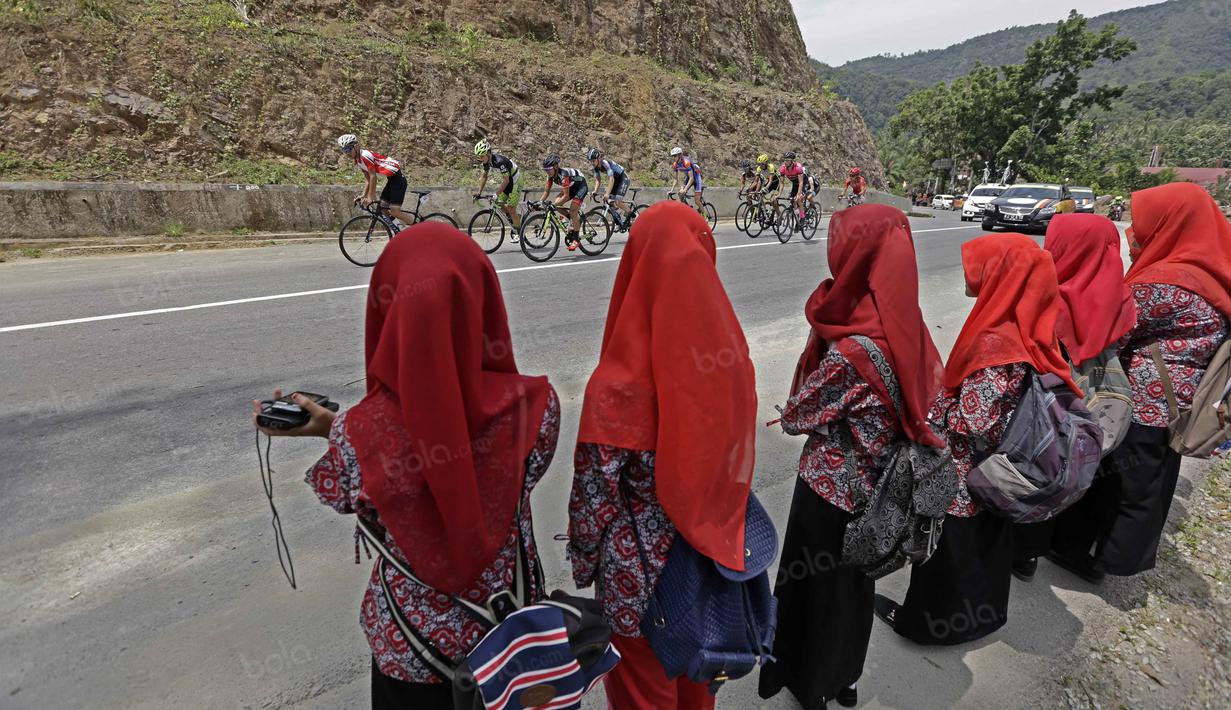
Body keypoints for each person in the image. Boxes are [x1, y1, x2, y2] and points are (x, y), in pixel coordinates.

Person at [252, 224, 559, 709]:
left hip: (411, 652)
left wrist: (333, 426)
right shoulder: (537, 408)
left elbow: (347, 491)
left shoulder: (360, 435)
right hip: (511, 635)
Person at [567, 201, 757, 709]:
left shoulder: (616, 385)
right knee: (699, 684)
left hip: (639, 584)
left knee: (642, 692)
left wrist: (584, 561)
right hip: (712, 563)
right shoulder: (730, 361)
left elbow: (593, 500)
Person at [758, 205, 948, 709]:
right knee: (855, 592)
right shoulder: (910, 330)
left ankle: (809, 682)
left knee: (815, 592)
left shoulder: (855, 350)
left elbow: (799, 416)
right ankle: (845, 681)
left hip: (830, 495)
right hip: (883, 498)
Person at [876, 233, 1080, 645]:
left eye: (981, 270)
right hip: (1007, 463)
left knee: (948, 546)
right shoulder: (1030, 326)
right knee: (985, 543)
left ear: (1001, 277)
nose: (972, 277)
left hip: (969, 469)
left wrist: (934, 410)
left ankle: (926, 625)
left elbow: (974, 420)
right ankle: (980, 618)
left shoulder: (995, 341)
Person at [1050, 182, 1231, 581]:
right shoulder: (1215, 272)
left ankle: (1088, 556)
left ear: (1172, 223)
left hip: (1141, 403)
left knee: (1116, 483)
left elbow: (1111, 332)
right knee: (1150, 483)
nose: (1136, 233)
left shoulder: (1167, 281)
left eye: (1147, 223)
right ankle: (1118, 557)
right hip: (1183, 400)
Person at [1010, 214, 1137, 581]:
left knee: (1031, 469)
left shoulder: (1043, 294)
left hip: (1039, 407)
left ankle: (1022, 554)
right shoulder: (1122, 297)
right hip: (1088, 409)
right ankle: (1052, 547)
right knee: (1066, 472)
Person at [338, 133, 410, 226]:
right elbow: (367, 179)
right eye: (344, 150)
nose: (347, 153)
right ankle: (400, 231)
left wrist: (370, 197)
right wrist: (363, 195)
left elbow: (373, 176)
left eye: (348, 149)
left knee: (395, 211)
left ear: (356, 146)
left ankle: (419, 228)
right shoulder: (358, 160)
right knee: (383, 208)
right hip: (392, 179)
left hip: (398, 180)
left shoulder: (364, 156)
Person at [473, 138, 524, 243]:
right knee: (498, 202)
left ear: (488, 154)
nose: (480, 158)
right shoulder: (486, 163)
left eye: (482, 155)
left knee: (510, 207)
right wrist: (479, 193)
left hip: (516, 181)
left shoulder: (499, 161)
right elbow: (484, 177)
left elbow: (506, 180)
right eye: (479, 156)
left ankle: (518, 233)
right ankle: (515, 218)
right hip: (508, 182)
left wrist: (496, 193)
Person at [539, 154, 589, 251]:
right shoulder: (550, 176)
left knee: (573, 211)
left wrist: (554, 205)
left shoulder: (564, 175)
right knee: (556, 203)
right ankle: (572, 220)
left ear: (556, 167)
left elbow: (566, 196)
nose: (548, 172)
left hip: (581, 187)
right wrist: (540, 202)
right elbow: (546, 191)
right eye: (546, 170)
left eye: (549, 169)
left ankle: (576, 239)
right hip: (571, 186)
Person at [589, 148, 632, 232]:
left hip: (623, 178)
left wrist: (607, 193)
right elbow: (598, 180)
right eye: (591, 161)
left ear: (598, 159)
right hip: (616, 180)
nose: (592, 163)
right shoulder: (596, 167)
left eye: (593, 160)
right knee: (609, 201)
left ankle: (633, 215)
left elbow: (611, 179)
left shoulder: (605, 163)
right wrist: (595, 191)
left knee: (617, 201)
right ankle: (620, 222)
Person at [669, 147, 706, 214]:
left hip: (696, 177)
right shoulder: (675, 164)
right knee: (680, 194)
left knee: (697, 201)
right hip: (689, 177)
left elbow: (692, 178)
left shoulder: (686, 162)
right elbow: (675, 179)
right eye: (672, 156)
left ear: (680, 155)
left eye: (675, 156)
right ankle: (689, 211)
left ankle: (705, 216)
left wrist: (685, 189)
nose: (673, 158)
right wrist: (671, 190)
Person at [779, 151, 806, 224]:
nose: (785, 161)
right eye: (785, 160)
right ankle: (796, 213)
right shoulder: (782, 168)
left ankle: (803, 217)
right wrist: (779, 194)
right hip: (795, 184)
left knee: (798, 199)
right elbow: (781, 182)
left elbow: (801, 182)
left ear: (792, 161)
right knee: (792, 200)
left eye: (787, 160)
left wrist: (798, 194)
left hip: (803, 183)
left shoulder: (798, 167)